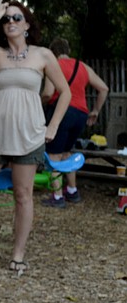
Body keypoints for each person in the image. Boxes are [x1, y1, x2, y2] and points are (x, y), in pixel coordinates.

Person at [0, 0, 71, 276]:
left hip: (29, 135)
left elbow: (63, 92)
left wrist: (52, 127)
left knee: (23, 194)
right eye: (7, 20)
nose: (11, 23)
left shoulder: (43, 55)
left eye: (16, 18)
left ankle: (18, 253)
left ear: (27, 25)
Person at [40, 37, 109, 207]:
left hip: (62, 112)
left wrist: (38, 104)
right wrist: (95, 111)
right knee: (66, 152)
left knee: (54, 154)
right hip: (81, 114)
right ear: (68, 50)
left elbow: (48, 93)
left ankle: (57, 197)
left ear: (52, 52)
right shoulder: (83, 66)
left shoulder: (53, 65)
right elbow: (104, 88)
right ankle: (72, 190)